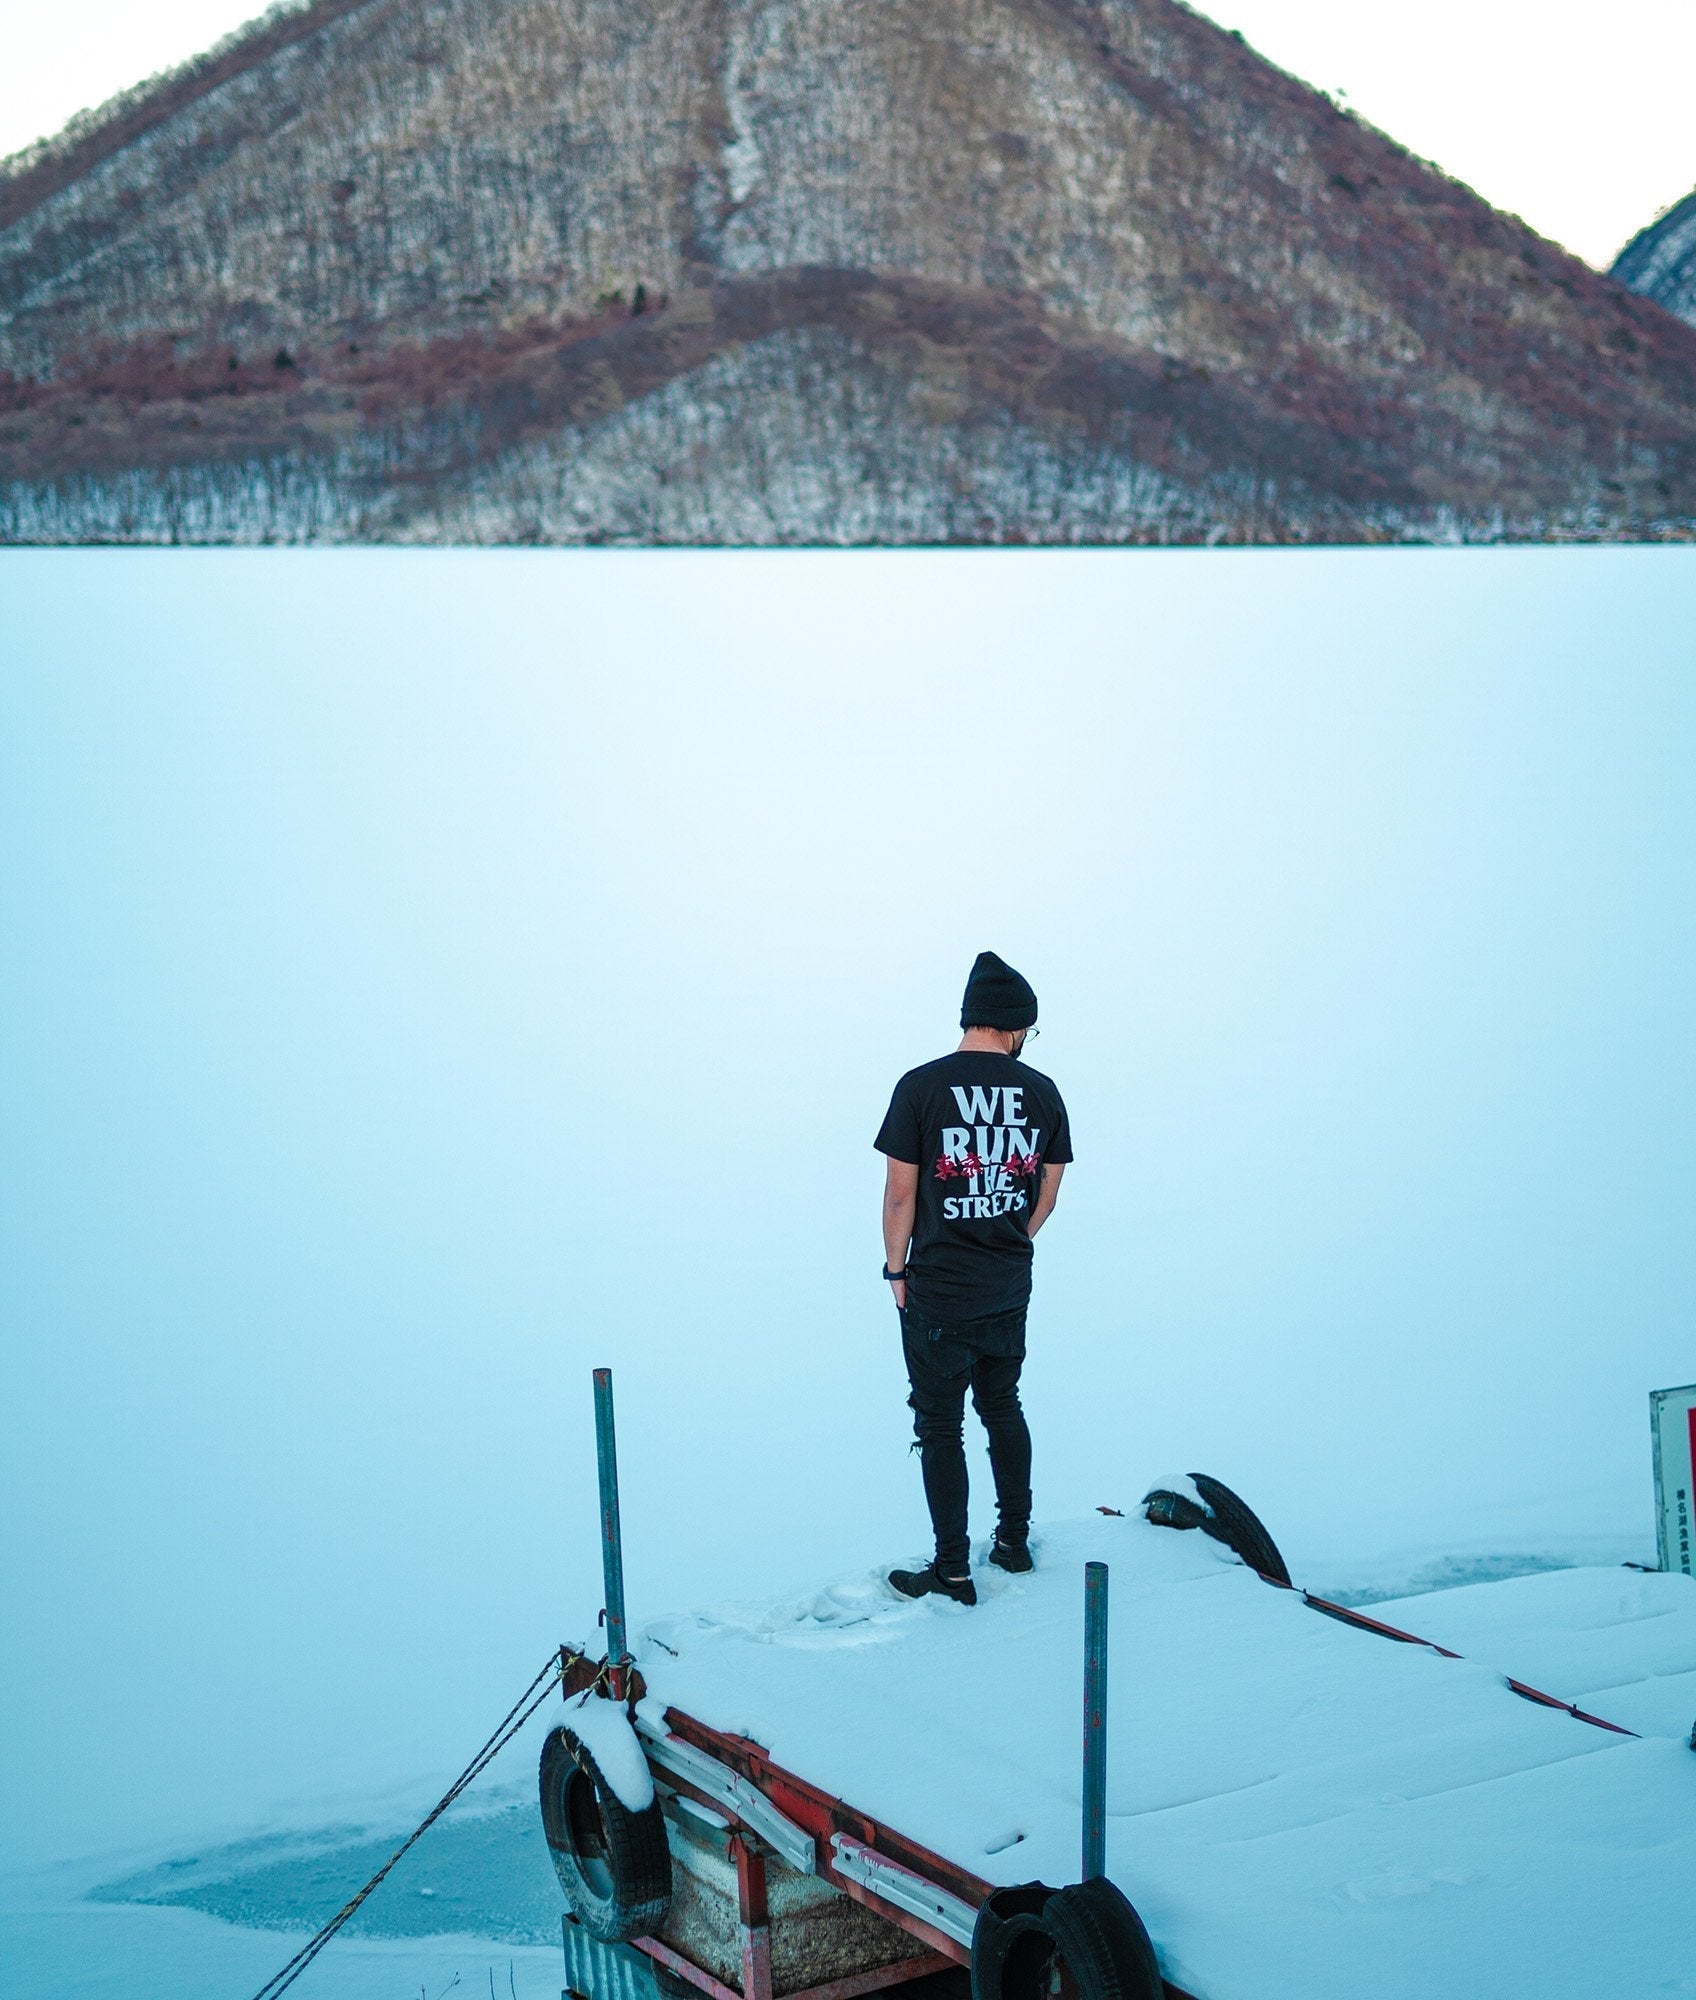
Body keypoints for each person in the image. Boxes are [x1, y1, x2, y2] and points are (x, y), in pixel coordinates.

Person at [874, 951, 1073, 1606]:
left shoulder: (920, 1087)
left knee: (940, 1428)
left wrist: (896, 1270)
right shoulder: (1042, 1092)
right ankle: (1013, 1543)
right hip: (1007, 1286)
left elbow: (900, 1195)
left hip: (937, 1289)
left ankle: (953, 1573)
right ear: (1014, 1026)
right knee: (1002, 1405)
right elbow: (1048, 1195)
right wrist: (1009, 1242)